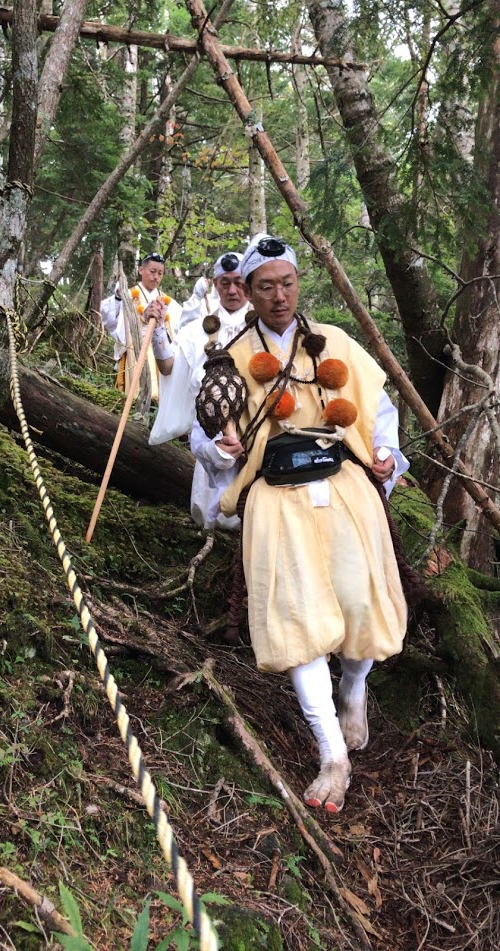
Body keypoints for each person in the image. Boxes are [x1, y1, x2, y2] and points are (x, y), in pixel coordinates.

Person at [191, 234, 410, 813]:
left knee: (361, 599)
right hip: (274, 495)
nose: (279, 296)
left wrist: (385, 454)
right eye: (266, 287)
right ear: (249, 292)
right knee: (294, 615)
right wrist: (222, 446)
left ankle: (355, 687)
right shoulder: (232, 356)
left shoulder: (333, 342)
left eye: (287, 283)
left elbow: (377, 408)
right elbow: (204, 430)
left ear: (297, 283)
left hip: (343, 483)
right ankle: (331, 751)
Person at [148, 251, 251, 529]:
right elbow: (170, 368)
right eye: (225, 282)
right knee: (214, 516)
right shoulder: (196, 331)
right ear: (215, 285)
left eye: (239, 282)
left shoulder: (263, 328)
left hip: (257, 437)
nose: (232, 290)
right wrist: (158, 331)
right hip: (211, 436)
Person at [100, 252, 181, 400]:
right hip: (134, 353)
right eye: (152, 271)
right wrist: (119, 297)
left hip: (160, 357)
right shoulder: (128, 295)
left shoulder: (167, 301)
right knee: (135, 396)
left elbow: (182, 324)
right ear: (141, 270)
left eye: (160, 273)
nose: (156, 276)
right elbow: (109, 320)